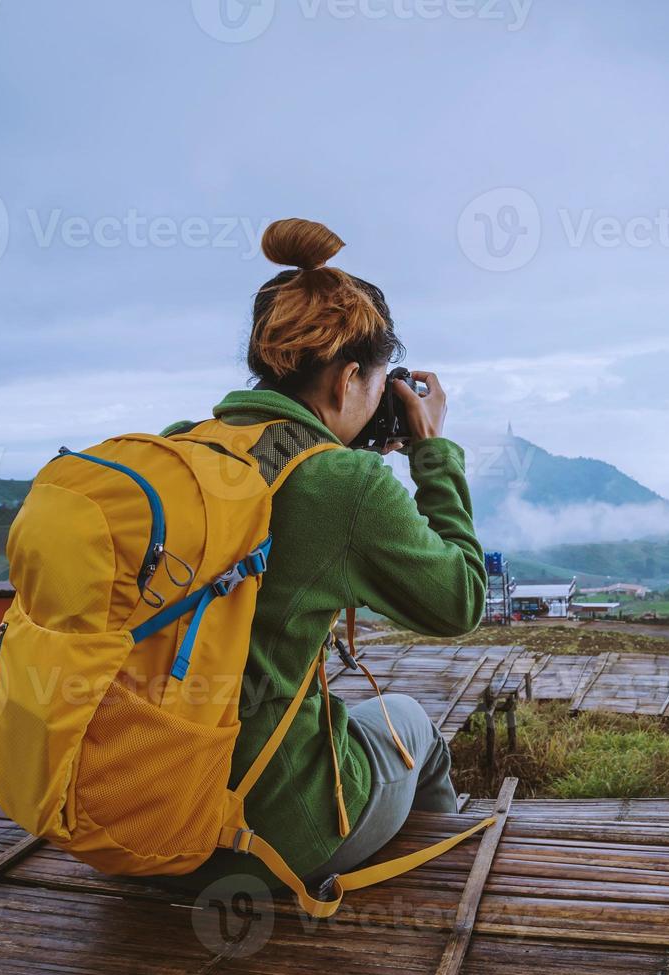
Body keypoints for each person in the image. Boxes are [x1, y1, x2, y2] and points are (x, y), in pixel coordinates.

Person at [173, 217, 486, 893]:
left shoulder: (183, 447)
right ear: (349, 382)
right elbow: (461, 602)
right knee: (412, 724)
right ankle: (437, 908)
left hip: (147, 816)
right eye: (378, 387)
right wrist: (431, 450)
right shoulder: (344, 483)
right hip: (270, 834)